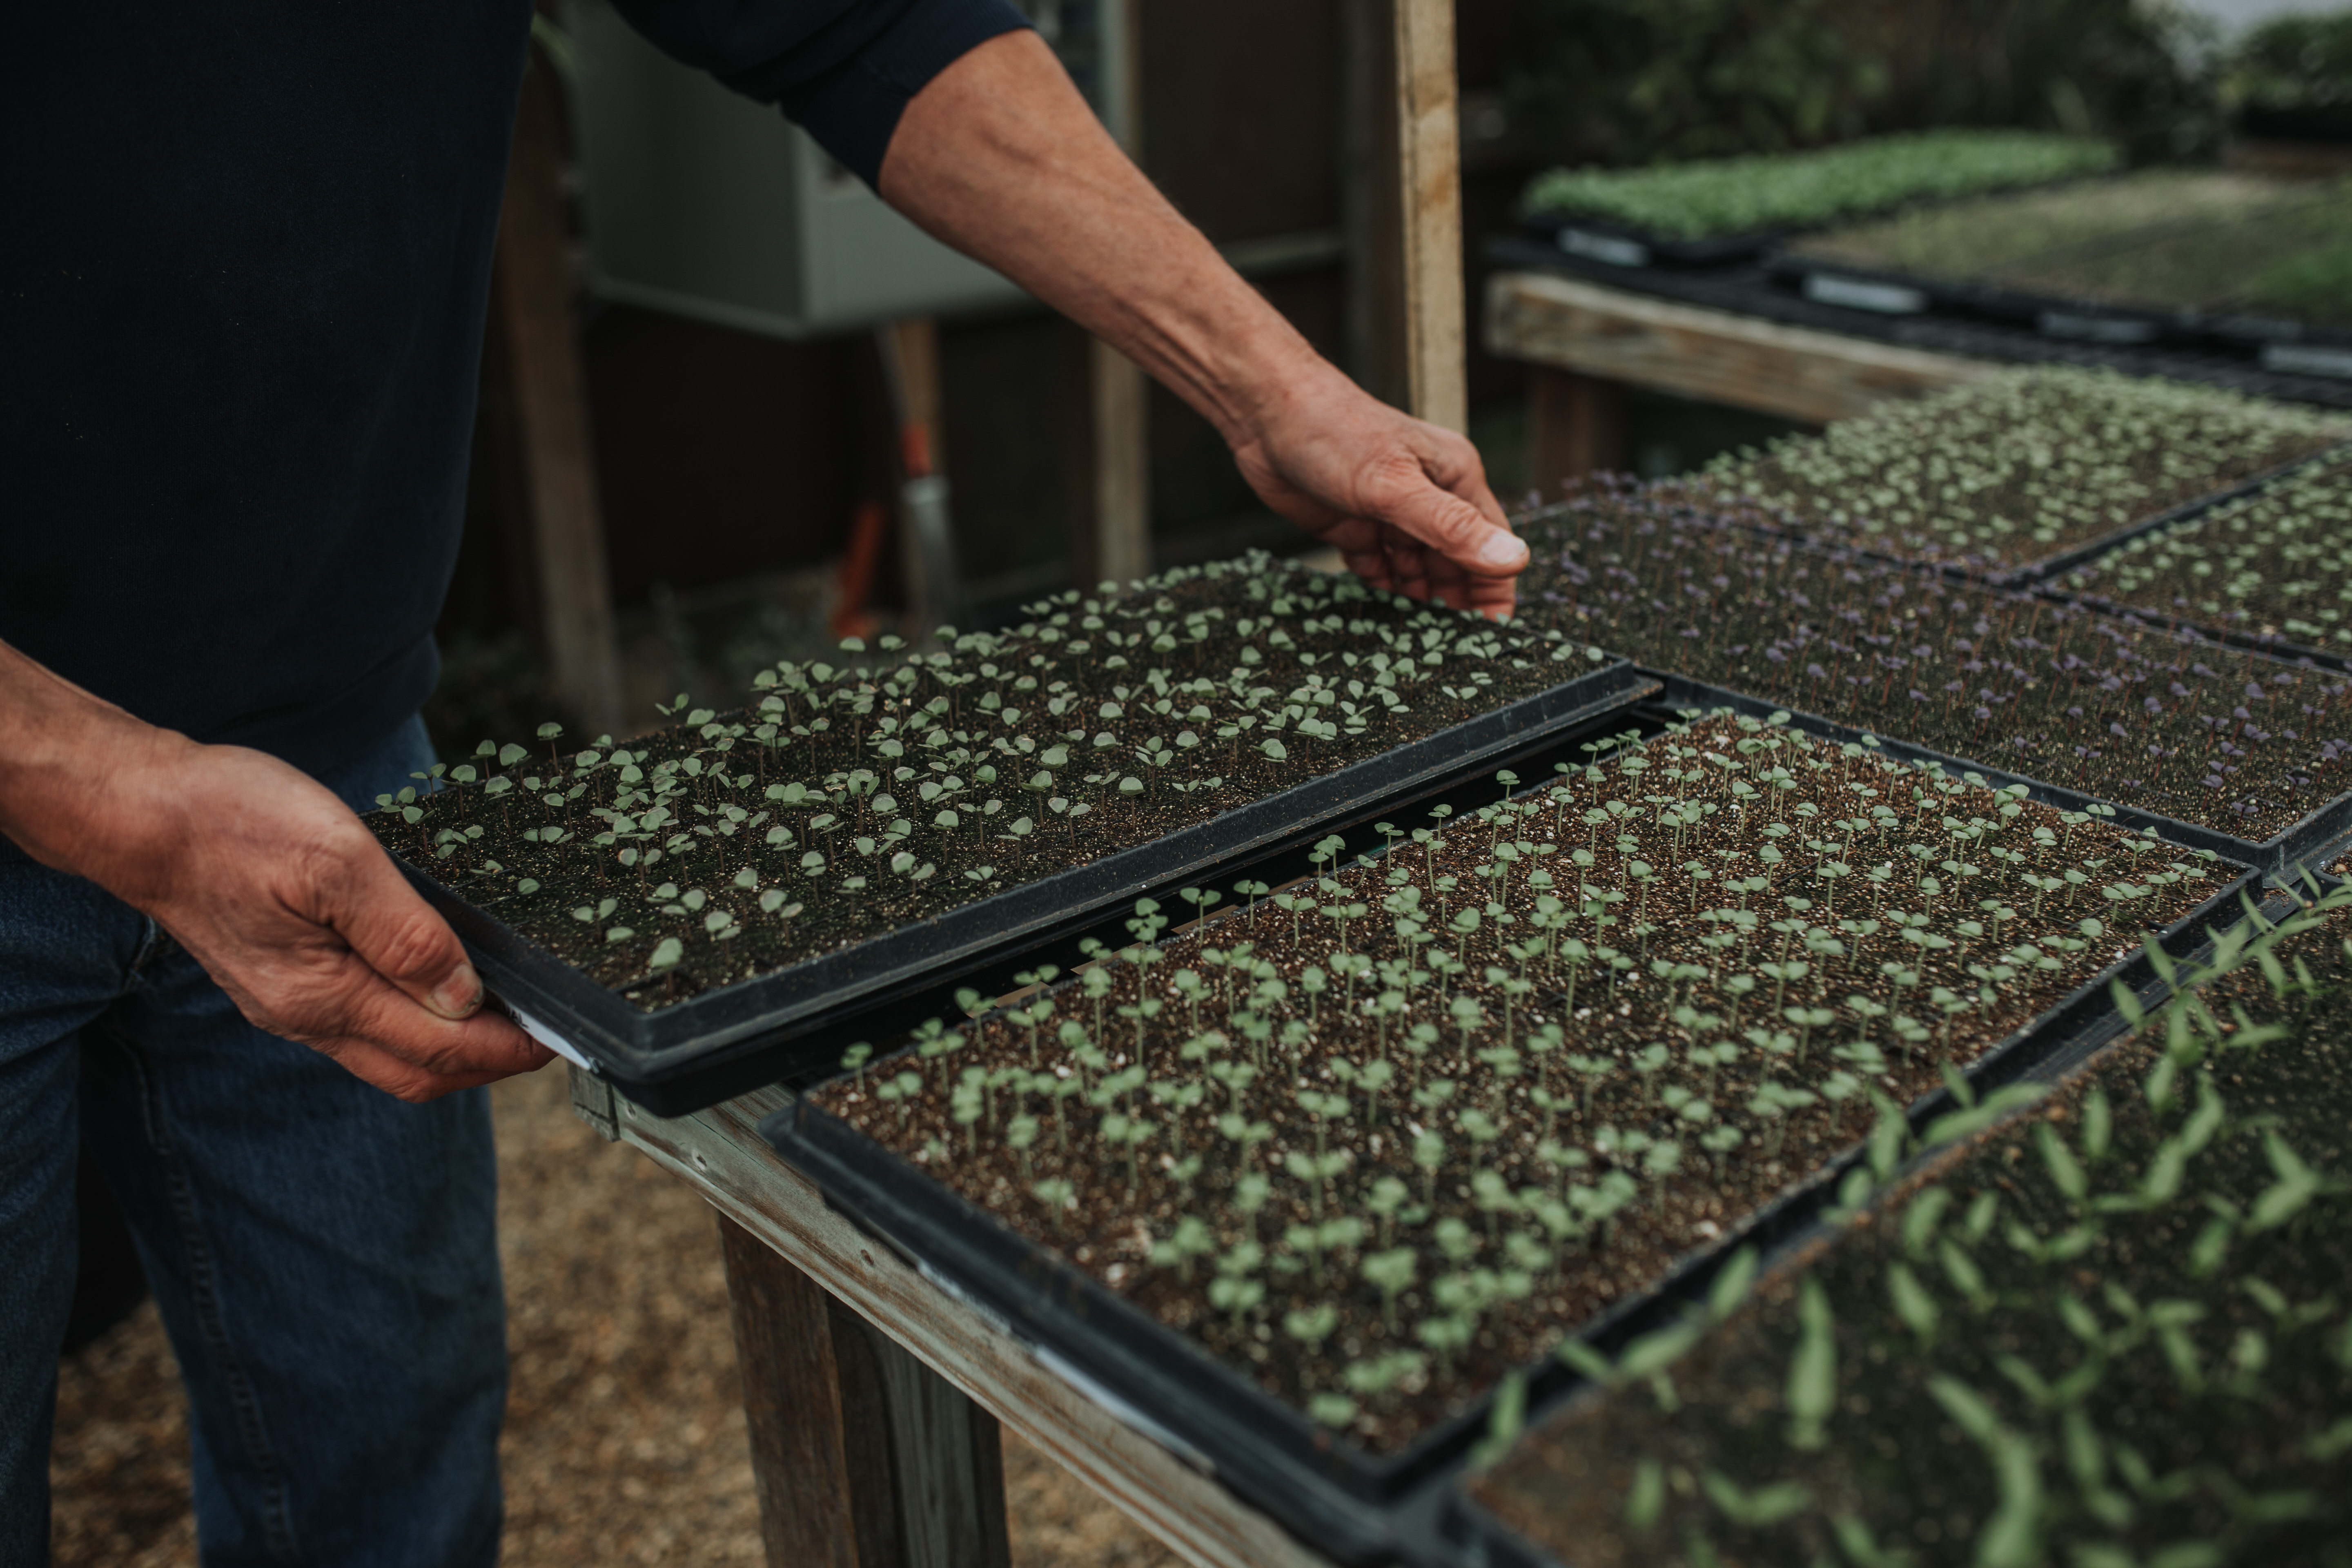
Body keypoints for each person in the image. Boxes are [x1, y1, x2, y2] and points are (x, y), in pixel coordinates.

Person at [0, 2, 1527, 1561]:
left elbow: (860, 23)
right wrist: (108, 789)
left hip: (330, 767)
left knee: (385, 1452)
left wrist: (1275, 387)